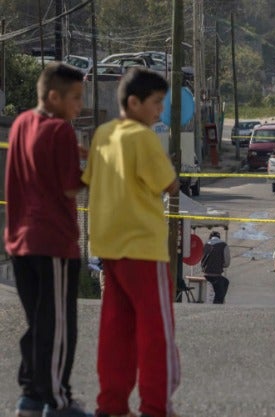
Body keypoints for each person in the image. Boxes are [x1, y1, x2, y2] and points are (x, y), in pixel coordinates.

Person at [82, 67, 181, 417]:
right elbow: (167, 184)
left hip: (109, 248)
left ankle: (111, 404)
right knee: (156, 333)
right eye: (156, 103)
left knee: (116, 332)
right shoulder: (143, 138)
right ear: (134, 102)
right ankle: (156, 406)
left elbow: (90, 178)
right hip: (144, 249)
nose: (159, 111)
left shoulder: (103, 134)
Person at [5, 62, 93, 417]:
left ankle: (31, 395)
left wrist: (81, 153)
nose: (80, 106)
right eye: (75, 98)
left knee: (38, 324)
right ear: (54, 96)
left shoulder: (22, 123)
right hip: (53, 242)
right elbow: (71, 185)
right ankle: (58, 401)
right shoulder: (59, 132)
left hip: (20, 241)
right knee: (59, 327)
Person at [201, 231, 231, 304]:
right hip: (216, 275)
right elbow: (227, 263)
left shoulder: (205, 244)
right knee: (225, 282)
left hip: (205, 274)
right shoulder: (224, 245)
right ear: (219, 237)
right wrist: (221, 265)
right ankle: (218, 302)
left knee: (222, 282)